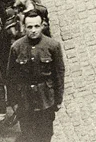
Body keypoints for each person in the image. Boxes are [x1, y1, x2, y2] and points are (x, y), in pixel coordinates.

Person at [6, 11, 64, 142]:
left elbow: (58, 74)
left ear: (42, 26)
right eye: (29, 27)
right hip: (24, 100)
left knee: (46, 135)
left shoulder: (52, 46)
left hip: (46, 99)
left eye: (36, 26)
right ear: (24, 27)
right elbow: (11, 77)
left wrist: (58, 99)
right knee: (28, 135)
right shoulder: (16, 47)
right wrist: (13, 102)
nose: (33, 30)